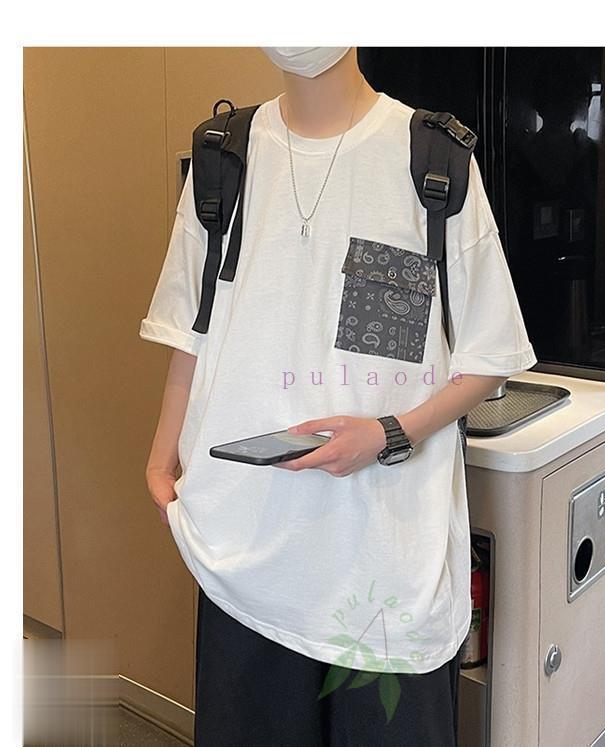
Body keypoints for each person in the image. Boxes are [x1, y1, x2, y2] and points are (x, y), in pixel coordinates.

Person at [140, 46, 537, 746]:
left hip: (382, 561)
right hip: (248, 551)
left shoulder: (431, 161)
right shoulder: (222, 158)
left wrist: (388, 431)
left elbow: (488, 359)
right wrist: (160, 455)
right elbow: (190, 329)